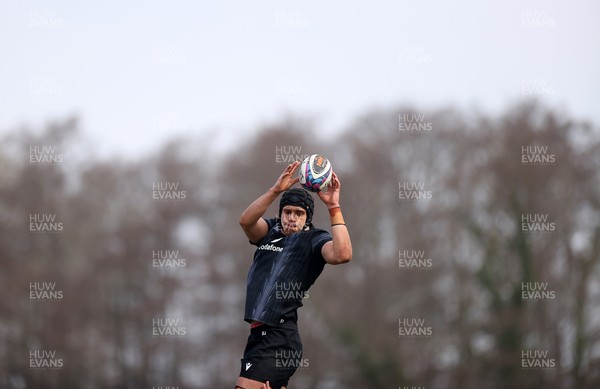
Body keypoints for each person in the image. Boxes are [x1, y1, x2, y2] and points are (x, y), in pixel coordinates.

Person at [235, 161, 352, 389]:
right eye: (287, 212)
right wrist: (275, 190)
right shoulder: (270, 231)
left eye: (299, 214)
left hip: (280, 337)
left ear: (306, 218)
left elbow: (343, 254)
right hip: (258, 335)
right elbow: (245, 221)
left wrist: (334, 207)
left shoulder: (314, 239)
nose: (292, 218)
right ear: (280, 214)